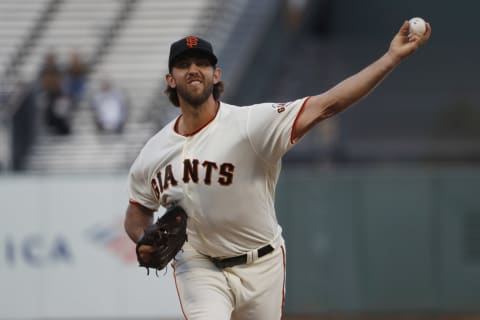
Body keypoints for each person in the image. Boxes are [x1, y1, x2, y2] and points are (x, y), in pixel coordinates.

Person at [124, 21, 431, 319]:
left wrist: (390, 58)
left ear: (216, 74)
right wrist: (143, 240)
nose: (193, 69)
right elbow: (137, 215)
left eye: (202, 63)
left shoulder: (250, 124)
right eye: (184, 64)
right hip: (198, 265)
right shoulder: (152, 153)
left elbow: (327, 104)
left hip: (262, 262)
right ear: (170, 79)